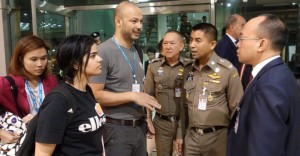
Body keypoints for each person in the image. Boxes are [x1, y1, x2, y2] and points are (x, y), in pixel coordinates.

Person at [89, 1, 161, 156]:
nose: (140, 26)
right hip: (115, 130)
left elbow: (139, 86)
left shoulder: (137, 51)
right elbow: (96, 95)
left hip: (139, 127)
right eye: (134, 21)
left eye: (141, 21)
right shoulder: (103, 52)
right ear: (118, 21)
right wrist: (133, 96)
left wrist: (147, 117)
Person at [227, 14, 300, 156]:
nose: (237, 43)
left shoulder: (269, 86)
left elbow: (263, 148)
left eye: (242, 38)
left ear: (261, 44)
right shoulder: (280, 74)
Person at [174, 23, 243, 156]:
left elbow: (237, 110)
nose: (192, 45)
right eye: (191, 40)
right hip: (192, 138)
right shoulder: (188, 70)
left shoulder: (227, 70)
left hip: (217, 139)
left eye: (198, 40)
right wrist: (180, 135)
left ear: (212, 44)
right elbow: (183, 108)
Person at [35, 34, 105, 155]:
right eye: (93, 56)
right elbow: (42, 152)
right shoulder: (58, 99)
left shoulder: (86, 90)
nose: (100, 59)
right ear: (76, 64)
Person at [0, 35, 57, 144]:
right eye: (34, 59)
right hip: (21, 143)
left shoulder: (51, 80)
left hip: (47, 139)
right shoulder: (6, 84)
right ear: (21, 59)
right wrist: (1, 132)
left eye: (43, 58)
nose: (40, 64)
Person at [144, 30, 189, 156]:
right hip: (161, 123)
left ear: (181, 46)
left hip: (185, 122)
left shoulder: (189, 67)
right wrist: (147, 119)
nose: (168, 46)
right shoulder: (153, 67)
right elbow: (148, 95)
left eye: (172, 43)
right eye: (165, 43)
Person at [214, 14, 252, 90]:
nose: (244, 28)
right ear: (232, 27)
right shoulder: (224, 45)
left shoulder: (234, 42)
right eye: (242, 25)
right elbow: (222, 73)